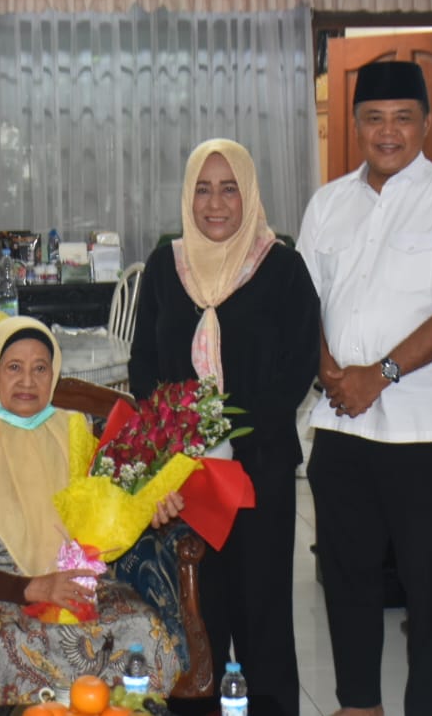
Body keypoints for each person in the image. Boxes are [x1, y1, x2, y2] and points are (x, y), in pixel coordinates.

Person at [297, 61, 432, 716]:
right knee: (346, 578)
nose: (388, 131)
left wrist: (377, 376)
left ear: (426, 123)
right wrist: (328, 370)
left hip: (421, 432)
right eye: (374, 118)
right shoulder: (328, 203)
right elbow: (304, 304)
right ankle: (358, 706)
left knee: (428, 590)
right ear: (355, 125)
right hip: (339, 426)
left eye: (403, 117)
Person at [129, 139, 320, 716]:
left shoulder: (281, 267)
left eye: (229, 189)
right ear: (188, 198)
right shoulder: (166, 266)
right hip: (184, 476)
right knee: (193, 617)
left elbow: (298, 365)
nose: (215, 204)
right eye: (203, 190)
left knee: (263, 617)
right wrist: (179, 439)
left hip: (258, 470)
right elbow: (143, 363)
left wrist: (229, 430)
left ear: (249, 194)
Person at [0, 315, 184, 702]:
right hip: (2, 593)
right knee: (22, 644)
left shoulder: (77, 433)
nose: (27, 381)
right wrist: (32, 587)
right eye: (14, 367)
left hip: (80, 584)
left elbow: (115, 507)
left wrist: (150, 509)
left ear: (53, 376)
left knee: (142, 629)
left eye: (40, 368)